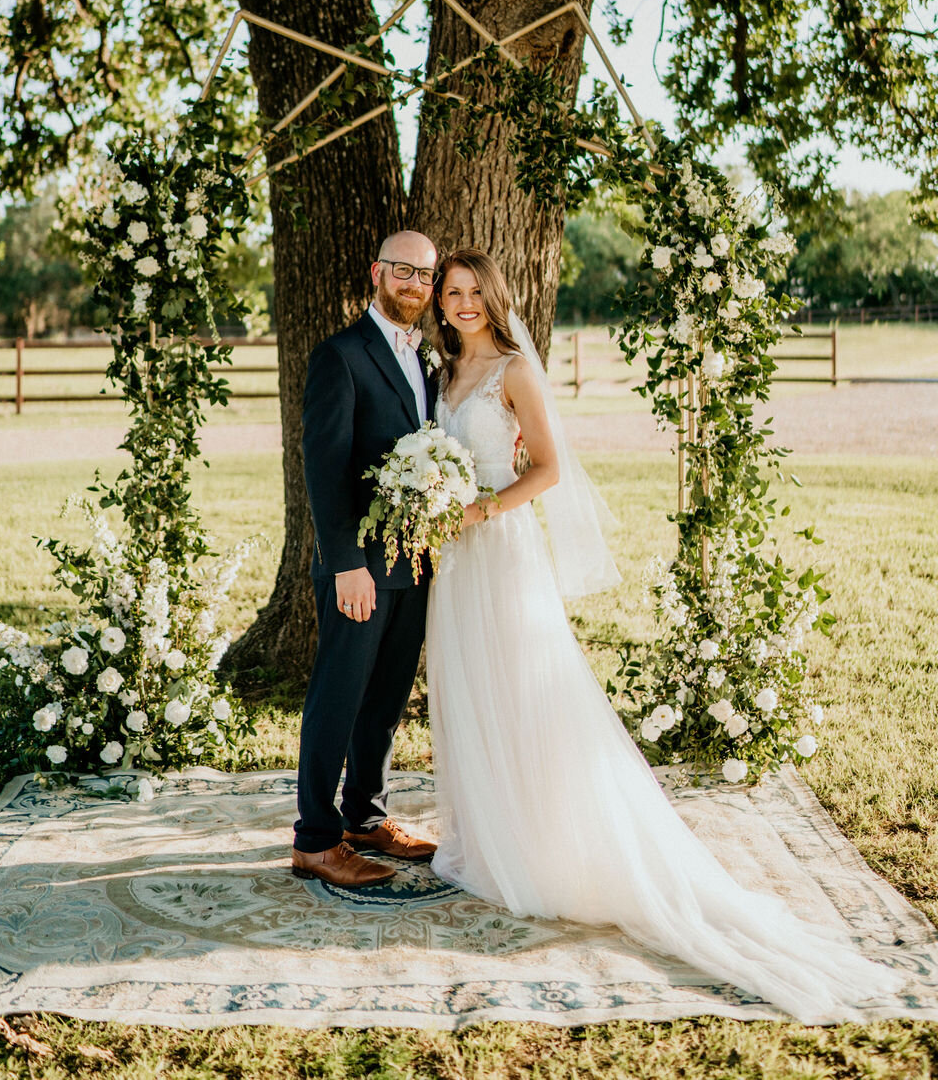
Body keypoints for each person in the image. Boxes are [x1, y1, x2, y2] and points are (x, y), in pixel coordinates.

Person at [425, 247, 904, 1022]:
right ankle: (486, 832)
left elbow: (547, 468)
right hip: (455, 561)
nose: (465, 301)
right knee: (469, 689)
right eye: (454, 291)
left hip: (502, 549)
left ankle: (543, 838)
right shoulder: (440, 375)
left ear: (495, 295)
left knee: (522, 688)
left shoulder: (514, 369)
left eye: (476, 290)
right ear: (441, 303)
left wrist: (479, 508)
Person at [292, 231, 440, 887]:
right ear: (377, 272)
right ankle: (316, 839)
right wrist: (347, 560)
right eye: (404, 271)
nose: (415, 284)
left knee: (385, 699)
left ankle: (365, 815)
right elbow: (323, 467)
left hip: (414, 559)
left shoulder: (428, 361)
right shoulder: (341, 356)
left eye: (426, 276)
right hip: (360, 565)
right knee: (339, 695)